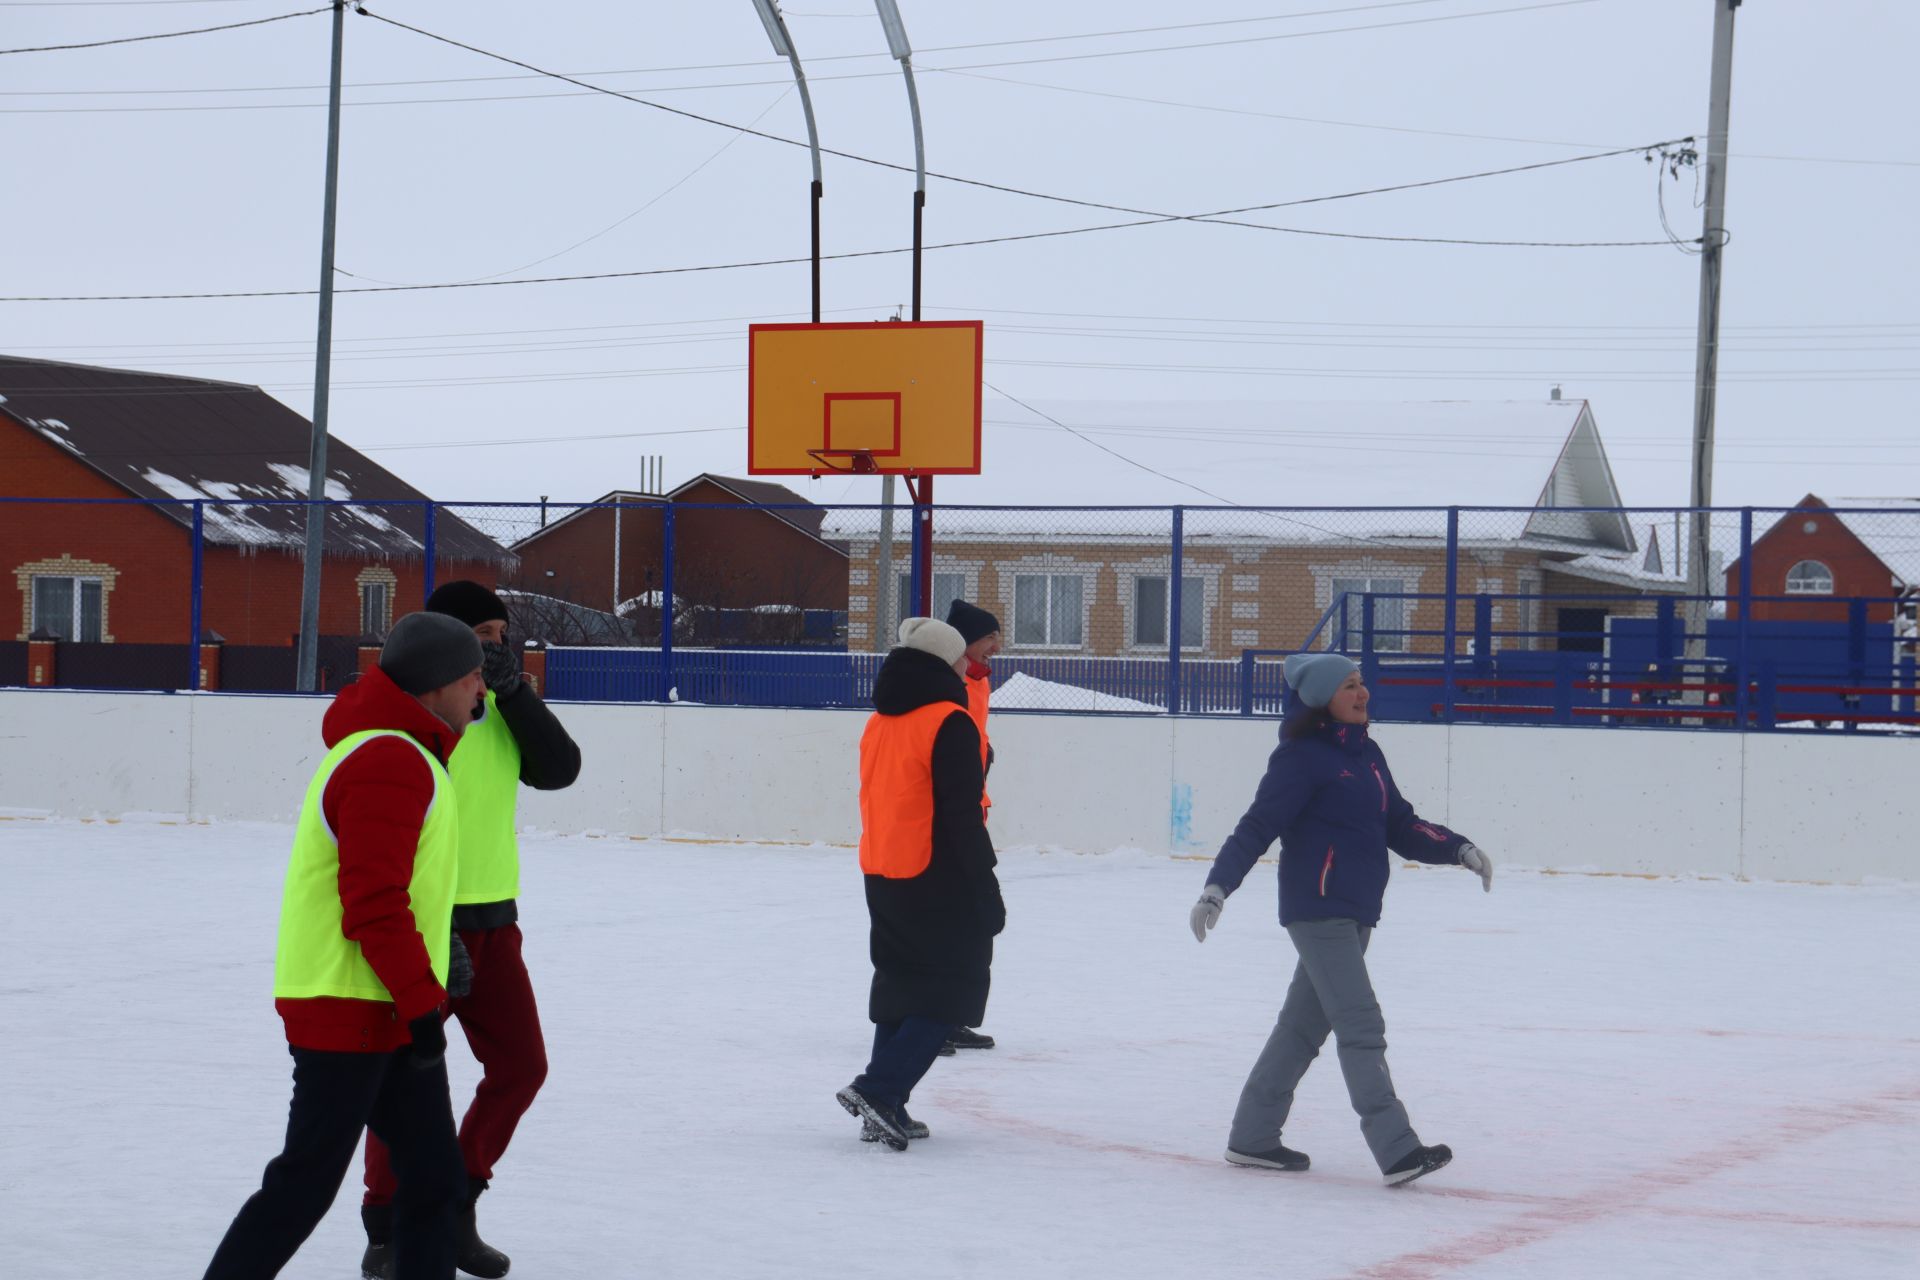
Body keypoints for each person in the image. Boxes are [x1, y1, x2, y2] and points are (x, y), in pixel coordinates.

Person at [204, 612, 486, 1280]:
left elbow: (401, 887)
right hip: (352, 1010)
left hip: (378, 1007)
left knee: (434, 1182)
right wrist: (423, 1005)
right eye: (473, 672)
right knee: (305, 1184)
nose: (483, 686)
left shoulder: (406, 752)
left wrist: (431, 972)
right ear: (437, 683)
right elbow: (374, 901)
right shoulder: (390, 758)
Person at [1188, 653, 1494, 1188]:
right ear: (1322, 698)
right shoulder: (1300, 759)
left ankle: (1252, 1137)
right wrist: (1218, 887)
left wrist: (1457, 848)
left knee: (1300, 1030)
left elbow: (1399, 823)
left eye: (1362, 684)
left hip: (1356, 911)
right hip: (1317, 908)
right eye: (1350, 686)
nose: (1362, 693)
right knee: (1360, 1023)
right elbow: (1257, 826)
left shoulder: (1368, 753)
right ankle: (1397, 1150)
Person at [360, 581, 582, 1280]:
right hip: (423, 923)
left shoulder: (501, 706)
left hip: (495, 920)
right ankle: (388, 1228)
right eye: (479, 634)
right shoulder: (420, 715)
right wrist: (434, 923)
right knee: (403, 1078)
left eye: (500, 632)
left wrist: (516, 695)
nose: (495, 646)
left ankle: (457, 1202)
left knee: (522, 1066)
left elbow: (560, 770)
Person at [836, 617, 1005, 1150]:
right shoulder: (948, 720)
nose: (967, 668)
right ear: (942, 663)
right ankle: (880, 1089)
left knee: (899, 987)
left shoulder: (879, 721)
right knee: (951, 988)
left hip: (883, 868)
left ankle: (884, 1106)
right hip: (938, 873)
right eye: (961, 659)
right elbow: (959, 814)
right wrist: (985, 883)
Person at [942, 598, 1003, 1053]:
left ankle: (954, 1017)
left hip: (971, 813)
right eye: (989, 638)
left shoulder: (977, 682)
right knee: (950, 923)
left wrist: (984, 755)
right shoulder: (950, 681)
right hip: (948, 822)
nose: (996, 647)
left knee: (973, 925)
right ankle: (931, 1020)